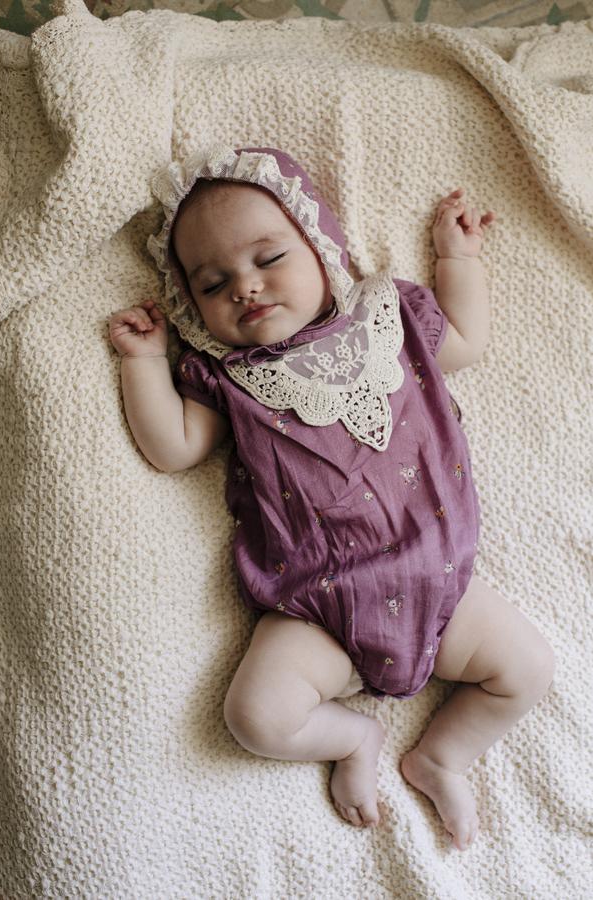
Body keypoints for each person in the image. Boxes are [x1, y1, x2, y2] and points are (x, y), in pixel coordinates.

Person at [108, 146, 555, 851]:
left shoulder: (387, 318)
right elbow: (175, 448)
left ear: (322, 247)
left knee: (527, 669)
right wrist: (142, 362)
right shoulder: (228, 376)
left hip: (440, 583)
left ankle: (442, 756)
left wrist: (457, 258)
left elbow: (466, 342)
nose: (246, 287)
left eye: (268, 258)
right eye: (214, 282)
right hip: (316, 607)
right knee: (255, 716)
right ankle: (351, 738)